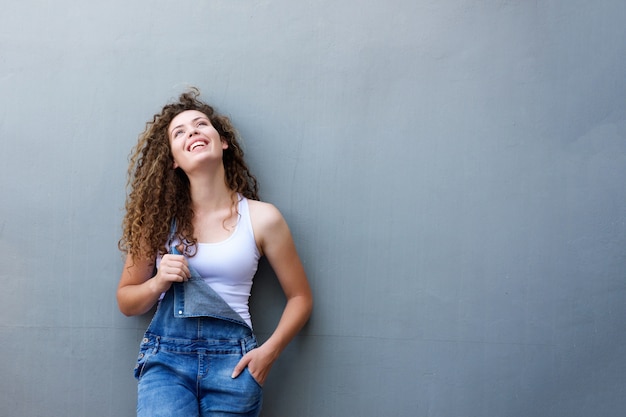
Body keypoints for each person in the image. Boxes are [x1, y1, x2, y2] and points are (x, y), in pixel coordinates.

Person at [116, 88, 313, 417]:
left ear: (222, 142)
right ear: (174, 161)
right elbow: (126, 300)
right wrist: (157, 283)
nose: (192, 131)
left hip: (233, 367)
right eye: (179, 132)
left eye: (200, 124)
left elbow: (301, 298)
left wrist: (268, 353)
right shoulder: (157, 221)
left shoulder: (263, 218)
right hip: (166, 365)